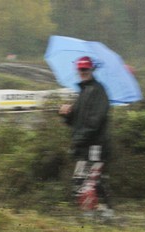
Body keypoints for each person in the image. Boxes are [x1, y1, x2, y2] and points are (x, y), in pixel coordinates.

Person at [58, 56, 114, 220]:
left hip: (96, 146)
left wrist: (78, 139)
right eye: (80, 69)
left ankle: (103, 214)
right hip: (83, 147)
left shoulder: (98, 91)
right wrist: (65, 114)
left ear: (91, 70)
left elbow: (94, 123)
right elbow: (74, 122)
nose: (82, 72)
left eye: (85, 69)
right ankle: (95, 215)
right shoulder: (82, 92)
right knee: (81, 182)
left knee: (90, 182)